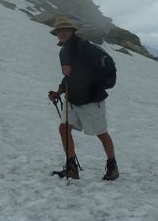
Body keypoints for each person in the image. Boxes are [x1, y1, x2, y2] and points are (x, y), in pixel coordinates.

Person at [47, 17, 118, 181]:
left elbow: (94, 72)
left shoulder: (85, 47)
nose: (62, 33)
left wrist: (78, 74)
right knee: (63, 129)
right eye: (59, 31)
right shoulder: (63, 52)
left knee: (101, 132)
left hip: (91, 97)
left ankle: (113, 166)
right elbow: (68, 77)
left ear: (72, 31)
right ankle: (72, 168)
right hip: (73, 97)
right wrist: (58, 92)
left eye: (65, 29)